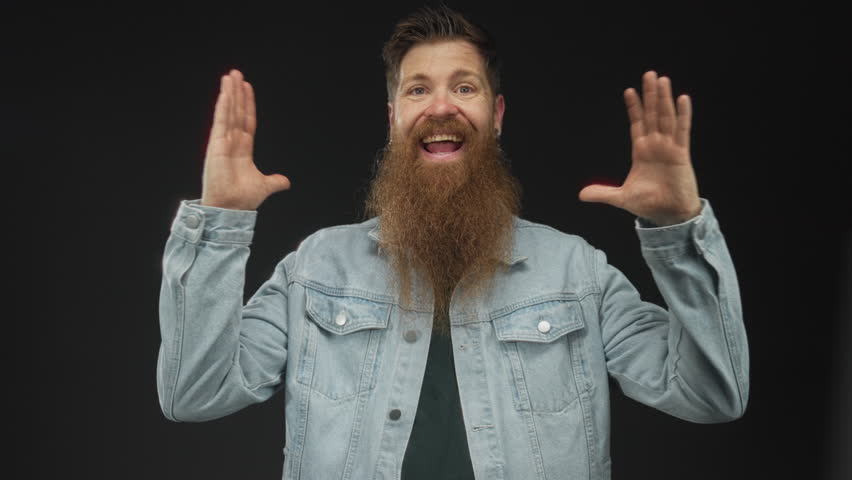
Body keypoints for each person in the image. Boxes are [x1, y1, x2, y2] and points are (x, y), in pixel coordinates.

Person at [156, 5, 749, 479]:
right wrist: (221, 220)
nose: (440, 105)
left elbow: (711, 394)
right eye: (417, 90)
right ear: (393, 118)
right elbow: (196, 393)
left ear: (496, 115)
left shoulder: (579, 274)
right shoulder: (315, 268)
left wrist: (678, 230)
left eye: (463, 88)